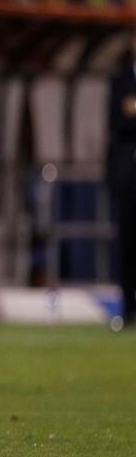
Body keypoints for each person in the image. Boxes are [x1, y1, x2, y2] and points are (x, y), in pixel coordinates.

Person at [107, 34, 136, 328]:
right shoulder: (120, 80)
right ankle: (128, 309)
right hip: (127, 176)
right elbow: (117, 122)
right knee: (126, 244)